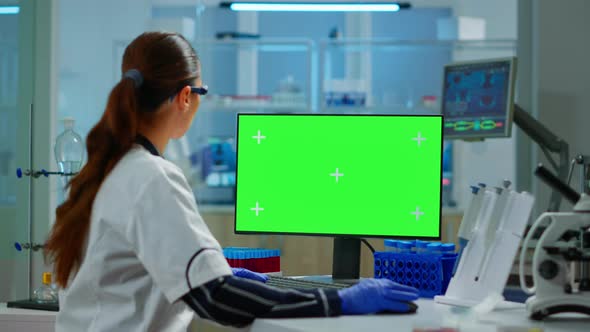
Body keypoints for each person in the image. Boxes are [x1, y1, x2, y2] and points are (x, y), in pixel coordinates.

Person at [44, 32, 419, 331]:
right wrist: (338, 302)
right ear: (186, 97)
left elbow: (143, 272)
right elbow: (217, 300)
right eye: (202, 93)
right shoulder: (149, 177)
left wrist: (214, 269)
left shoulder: (111, 169)